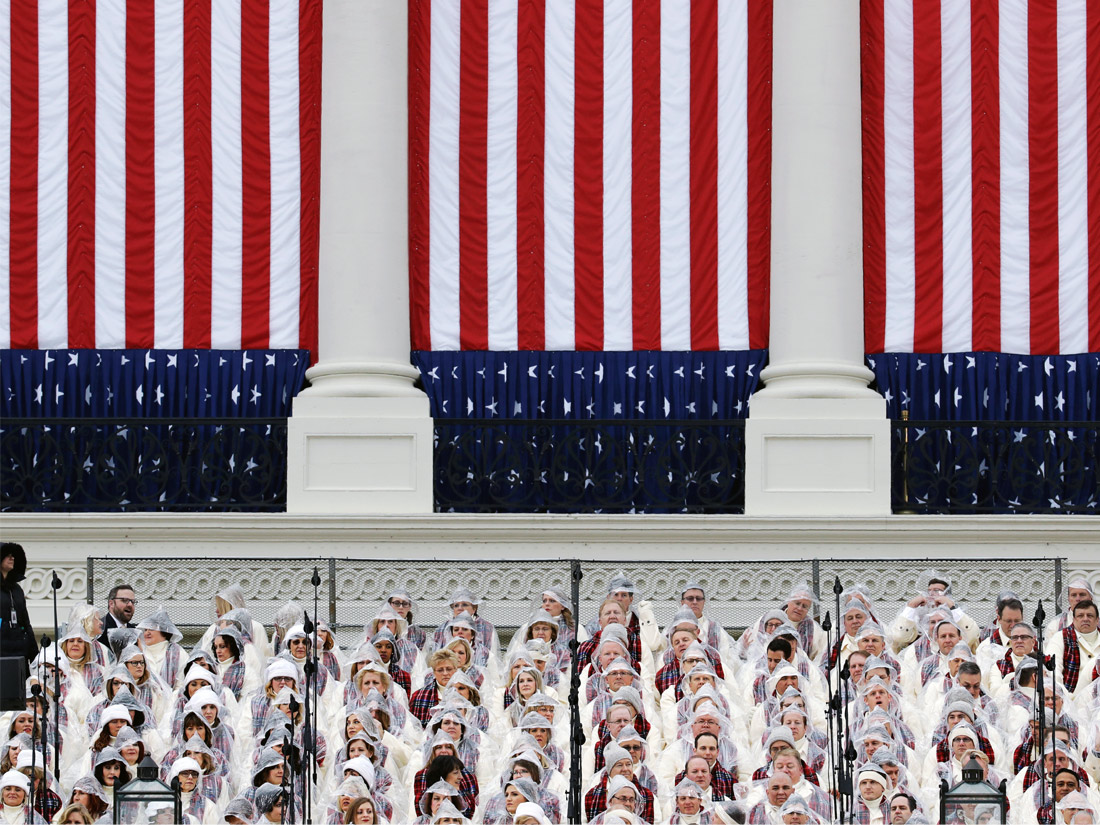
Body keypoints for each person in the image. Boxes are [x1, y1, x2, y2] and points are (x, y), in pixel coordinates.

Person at [0, 543, 36, 662]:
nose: (12, 558)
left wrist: (34, 654)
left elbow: (25, 621)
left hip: (19, 651)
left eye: (13, 556)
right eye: (7, 555)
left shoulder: (16, 590)